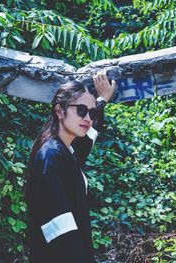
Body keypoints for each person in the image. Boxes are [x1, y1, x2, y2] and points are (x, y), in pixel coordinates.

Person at [26, 70, 116, 263]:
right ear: (59, 111)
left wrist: (102, 100)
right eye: (81, 111)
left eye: (91, 113)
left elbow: (89, 135)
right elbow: (60, 229)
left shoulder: (66, 151)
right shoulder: (51, 156)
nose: (88, 118)